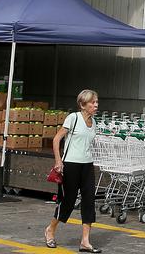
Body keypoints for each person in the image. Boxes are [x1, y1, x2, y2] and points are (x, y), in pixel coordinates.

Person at [44, 89, 101, 253]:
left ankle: (85, 241)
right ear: (83, 105)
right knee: (67, 200)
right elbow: (56, 139)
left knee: (89, 200)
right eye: (92, 102)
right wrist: (58, 160)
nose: (96, 105)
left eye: (96, 102)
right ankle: (50, 229)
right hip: (71, 165)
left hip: (87, 165)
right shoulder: (73, 118)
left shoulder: (94, 122)